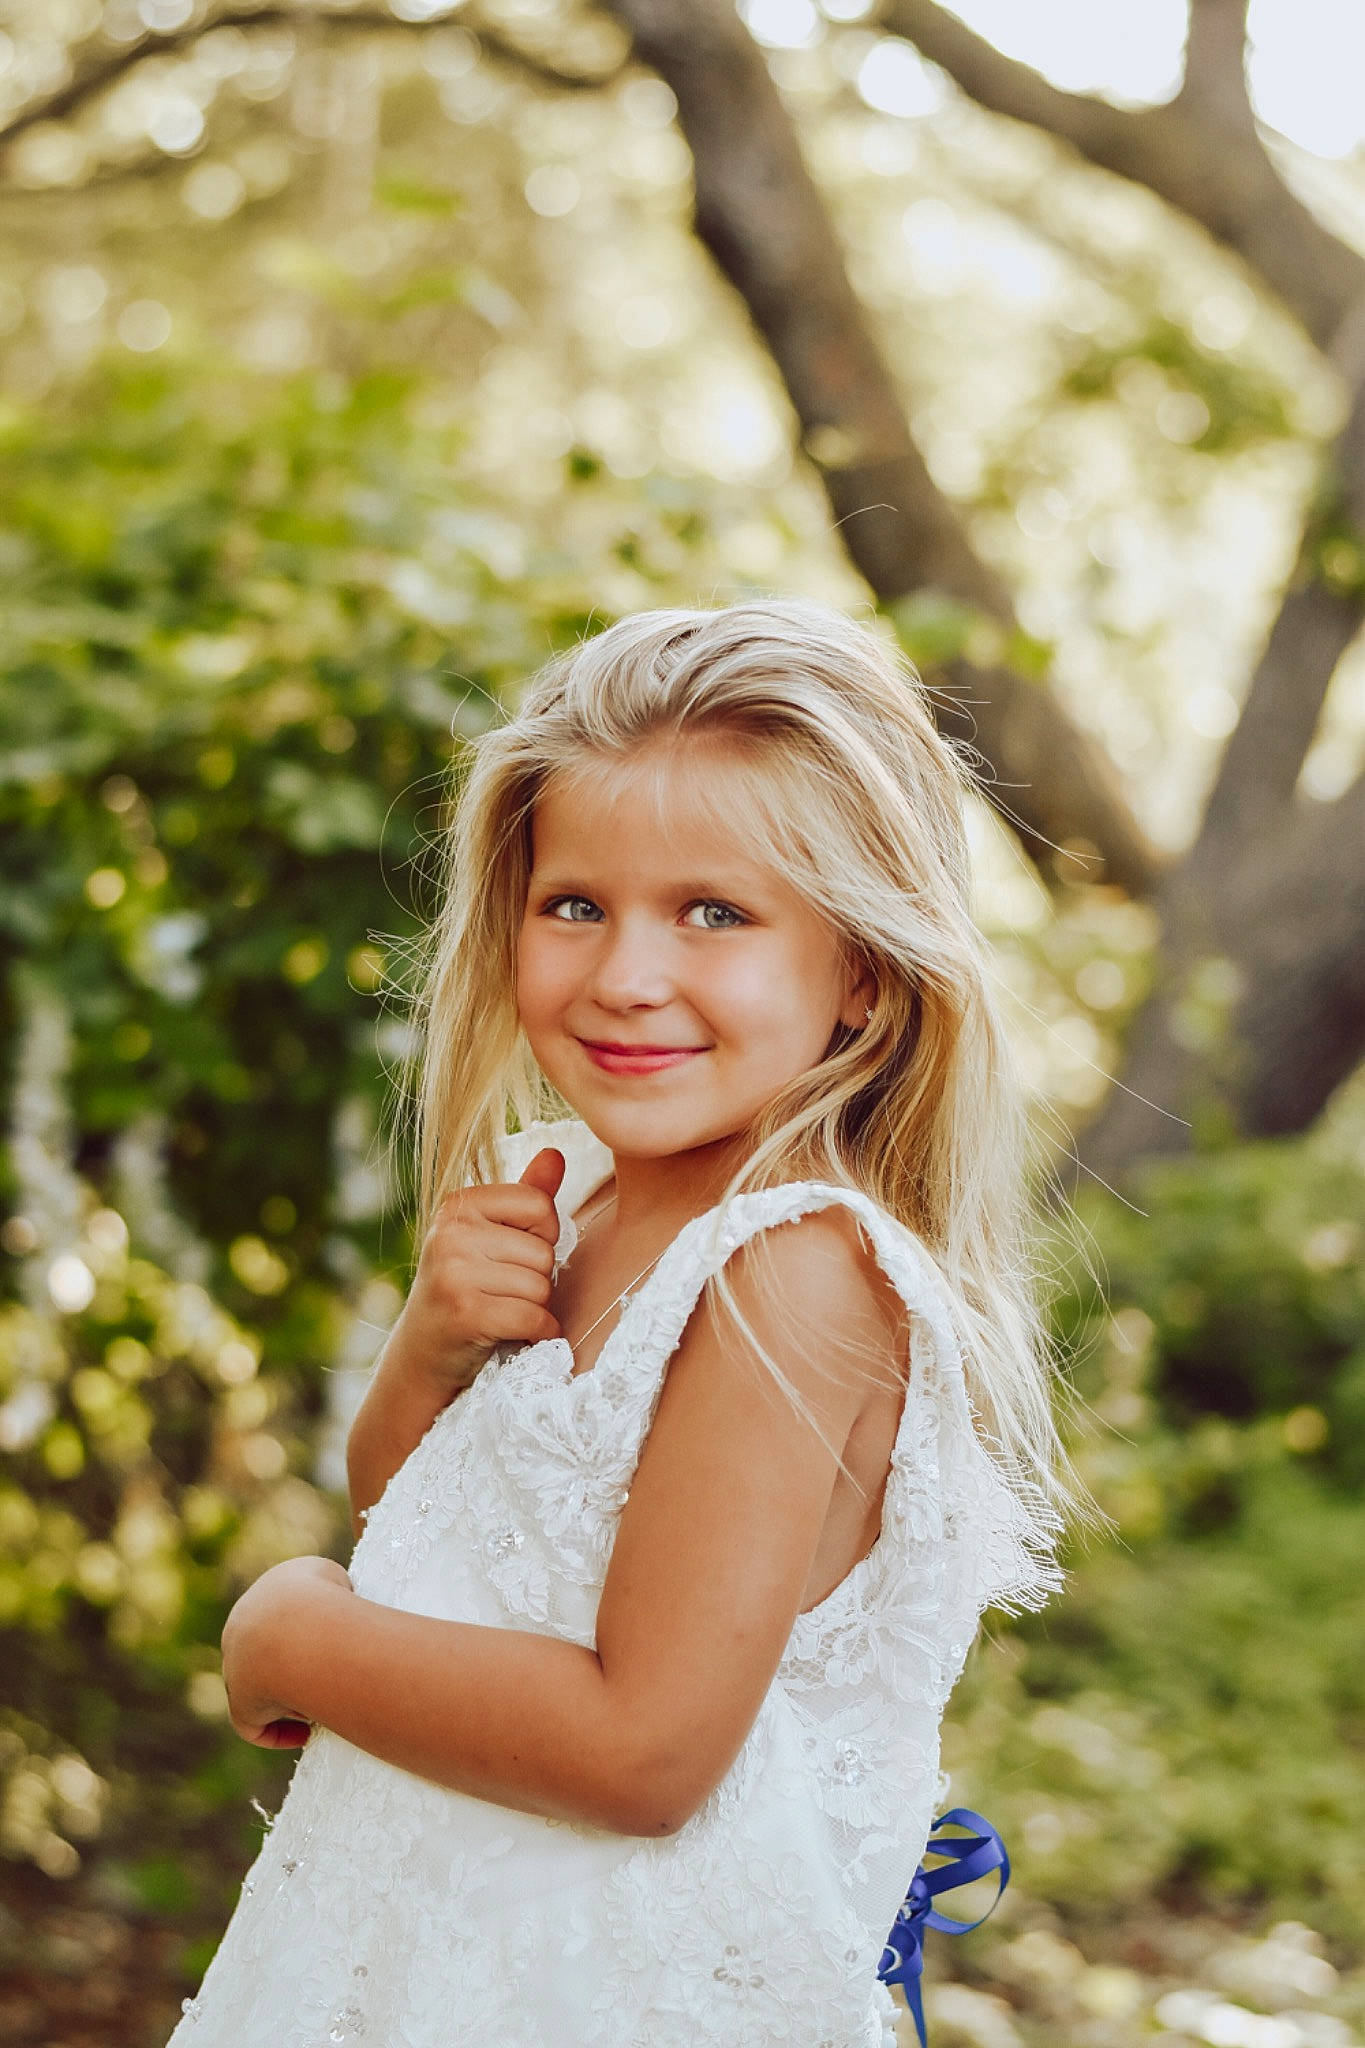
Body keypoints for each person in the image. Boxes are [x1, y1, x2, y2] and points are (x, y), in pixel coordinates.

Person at [167, 598, 1087, 2048]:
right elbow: (437, 1537)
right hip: (419, 1961)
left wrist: (287, 1636)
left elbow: (643, 1748)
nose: (623, 976)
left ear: (858, 966)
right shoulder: (581, 1187)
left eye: (712, 913)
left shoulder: (790, 1270)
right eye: (574, 904)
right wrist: (430, 1343)